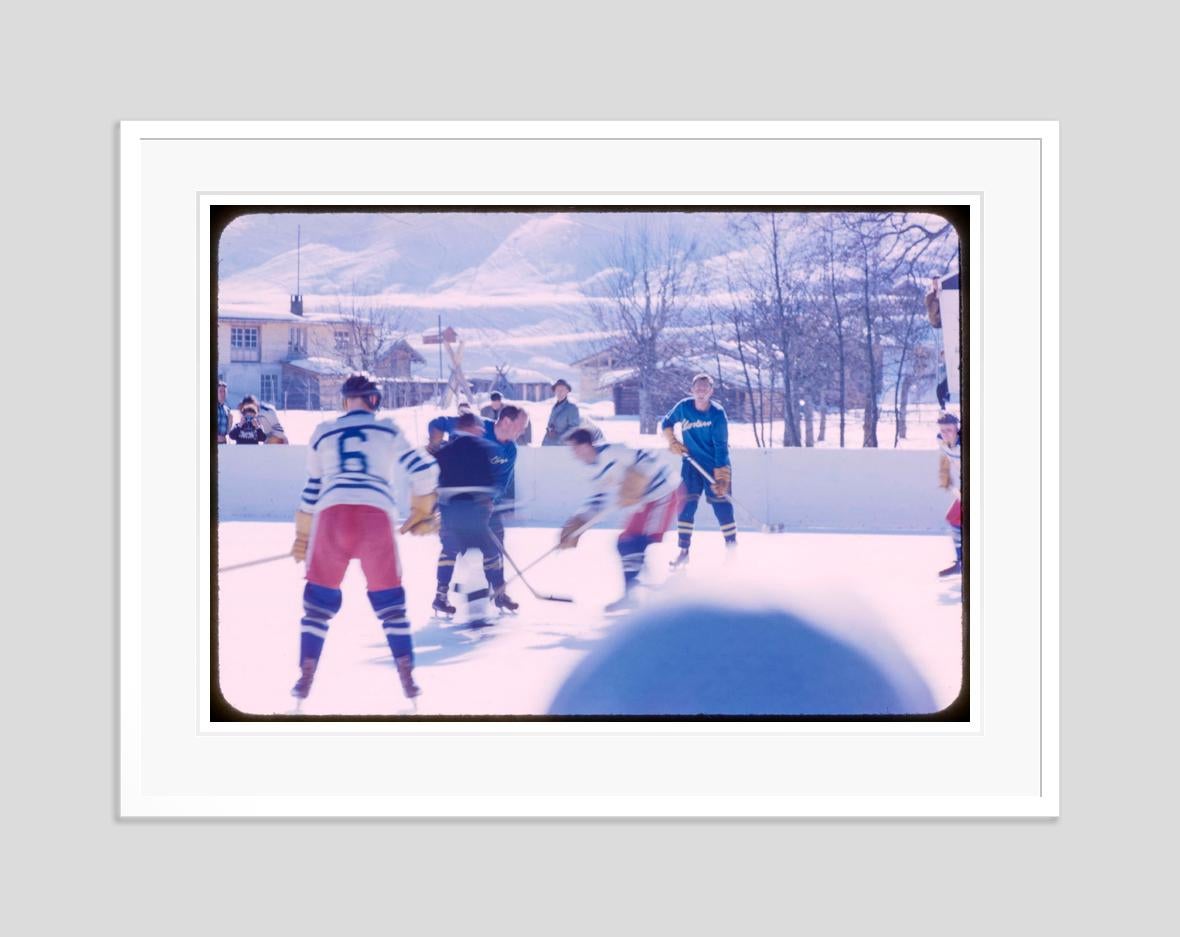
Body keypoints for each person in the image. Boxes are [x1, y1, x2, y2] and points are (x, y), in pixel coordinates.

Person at [289, 373, 440, 705]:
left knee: (317, 606)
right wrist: (423, 507)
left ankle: (306, 672)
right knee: (391, 606)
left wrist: (304, 534)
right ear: (375, 400)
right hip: (375, 517)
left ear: (345, 401)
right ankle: (406, 672)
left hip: (331, 516)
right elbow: (425, 470)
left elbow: (312, 488)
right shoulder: (386, 428)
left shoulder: (322, 432)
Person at [559, 428, 685, 612]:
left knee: (634, 541)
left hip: (665, 493)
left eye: (575, 449)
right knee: (626, 542)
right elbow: (596, 504)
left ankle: (651, 594)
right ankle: (641, 593)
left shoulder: (613, 451)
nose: (574, 455)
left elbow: (649, 457)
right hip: (649, 501)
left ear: (586, 446)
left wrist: (637, 479)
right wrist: (577, 525)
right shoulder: (596, 471)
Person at [427, 404, 531, 610]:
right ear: (507, 421)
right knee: (451, 545)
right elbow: (437, 423)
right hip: (457, 502)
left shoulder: (510, 450)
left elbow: (503, 482)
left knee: (495, 546)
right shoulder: (477, 425)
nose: (523, 431)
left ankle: (499, 593)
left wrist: (492, 500)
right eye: (521, 426)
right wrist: (435, 443)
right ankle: (440, 596)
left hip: (486, 505)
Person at [660, 373, 736, 568]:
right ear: (691, 390)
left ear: (711, 391)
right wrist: (673, 441)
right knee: (685, 506)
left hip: (715, 466)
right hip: (691, 466)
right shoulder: (684, 407)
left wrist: (721, 474)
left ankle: (732, 550)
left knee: (723, 508)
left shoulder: (717, 414)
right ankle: (683, 551)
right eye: (698, 388)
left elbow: (721, 446)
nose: (701, 391)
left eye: (705, 388)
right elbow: (666, 423)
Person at [936, 412, 963, 578]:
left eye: (949, 430)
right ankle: (961, 562)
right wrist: (945, 476)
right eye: (943, 430)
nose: (946, 433)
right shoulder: (941, 441)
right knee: (954, 519)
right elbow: (945, 460)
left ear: (957, 429)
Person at [542, 378, 579, 445]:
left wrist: (560, 439)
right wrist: (549, 430)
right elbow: (550, 424)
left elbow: (574, 428)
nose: (560, 392)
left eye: (562, 390)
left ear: (567, 391)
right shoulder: (554, 407)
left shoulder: (572, 408)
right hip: (549, 443)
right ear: (555, 391)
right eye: (558, 390)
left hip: (563, 446)